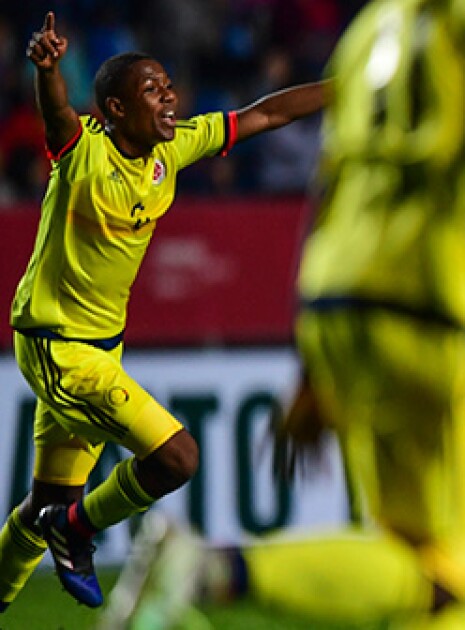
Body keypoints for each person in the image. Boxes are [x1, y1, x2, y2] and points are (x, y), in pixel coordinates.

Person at [99, 0, 465, 628]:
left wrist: (310, 356)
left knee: (409, 561)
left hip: (336, 292)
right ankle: (209, 568)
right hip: (429, 296)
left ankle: (205, 572)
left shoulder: (373, 25)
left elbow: (328, 176)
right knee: (456, 572)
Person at [0, 12, 326, 615]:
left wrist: (344, 86)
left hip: (102, 347)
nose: (170, 96)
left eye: (169, 85)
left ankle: (40, 548)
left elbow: (267, 114)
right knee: (178, 457)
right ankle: (78, 526)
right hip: (57, 345)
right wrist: (47, 72)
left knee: (41, 506)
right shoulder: (83, 153)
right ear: (116, 110)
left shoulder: (170, 150)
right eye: (152, 89)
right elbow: (59, 118)